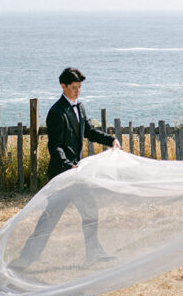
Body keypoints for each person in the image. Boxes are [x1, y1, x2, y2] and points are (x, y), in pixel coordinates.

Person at [10, 67, 121, 268]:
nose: (77, 91)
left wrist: (111, 139)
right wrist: (69, 167)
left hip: (77, 175)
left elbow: (89, 130)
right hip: (62, 175)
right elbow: (56, 147)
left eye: (79, 88)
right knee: (50, 218)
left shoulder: (80, 107)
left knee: (90, 211)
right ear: (63, 86)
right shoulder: (56, 112)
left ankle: (93, 253)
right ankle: (28, 257)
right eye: (73, 88)